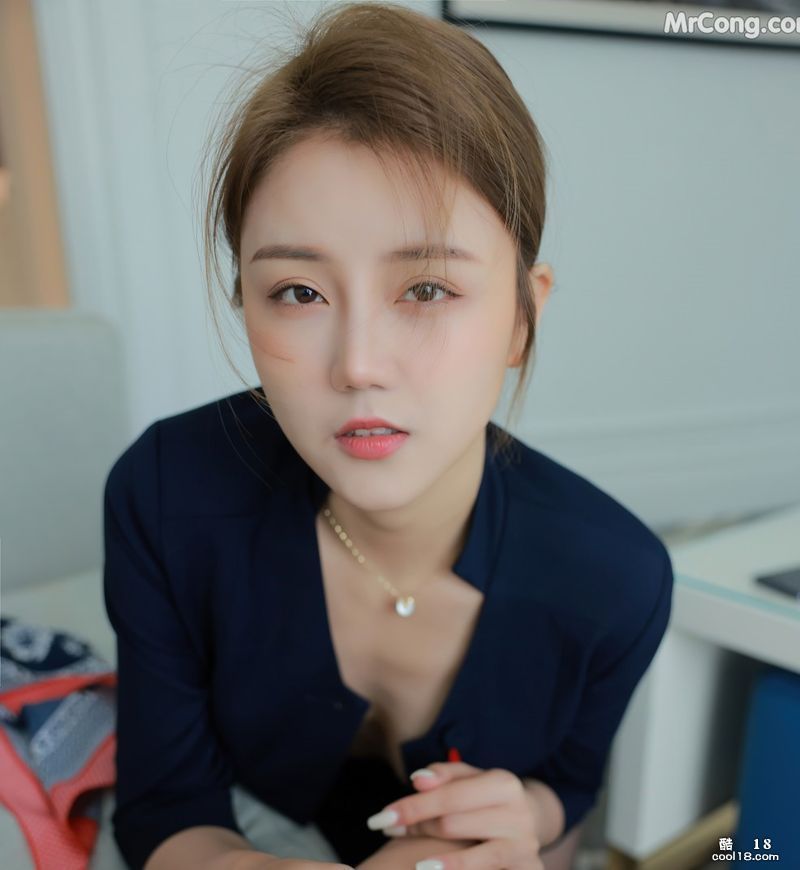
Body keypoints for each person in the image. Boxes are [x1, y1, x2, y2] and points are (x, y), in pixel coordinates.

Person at [102, 3, 674, 869]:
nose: (358, 366)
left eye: (427, 289)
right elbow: (164, 807)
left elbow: (569, 787)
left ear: (523, 317)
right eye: (299, 292)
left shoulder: (617, 579)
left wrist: (521, 814)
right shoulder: (165, 494)